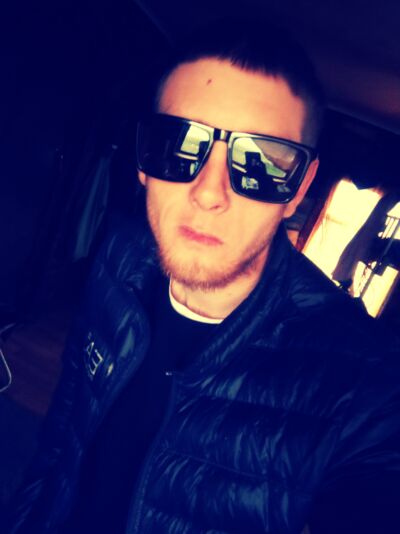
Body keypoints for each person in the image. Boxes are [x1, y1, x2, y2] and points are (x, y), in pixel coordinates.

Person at [7, 18, 400, 534]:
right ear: (144, 161)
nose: (210, 193)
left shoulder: (364, 383)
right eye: (179, 144)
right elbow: (65, 429)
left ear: (298, 189)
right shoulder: (119, 254)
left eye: (260, 162)